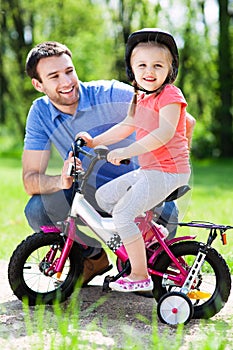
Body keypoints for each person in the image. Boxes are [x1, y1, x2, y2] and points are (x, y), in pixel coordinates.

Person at [23, 40, 195, 287]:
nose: (66, 82)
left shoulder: (113, 93)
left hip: (148, 180)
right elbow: (30, 180)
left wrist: (169, 165)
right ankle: (91, 258)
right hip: (93, 192)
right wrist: (67, 174)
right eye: (54, 76)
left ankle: (141, 270)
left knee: (157, 217)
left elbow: (184, 122)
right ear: (38, 84)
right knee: (38, 208)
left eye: (69, 71)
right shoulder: (40, 113)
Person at [77, 28, 191, 293]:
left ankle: (140, 274)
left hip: (170, 172)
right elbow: (127, 125)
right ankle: (149, 235)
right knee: (104, 197)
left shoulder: (171, 96)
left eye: (157, 65)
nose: (149, 71)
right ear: (131, 69)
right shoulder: (139, 97)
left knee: (123, 214)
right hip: (152, 170)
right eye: (142, 65)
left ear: (170, 69)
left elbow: (163, 133)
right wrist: (94, 141)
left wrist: (126, 153)